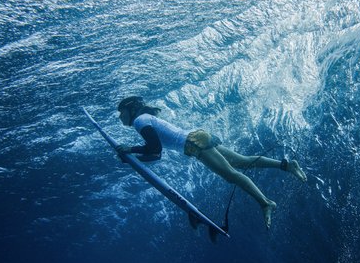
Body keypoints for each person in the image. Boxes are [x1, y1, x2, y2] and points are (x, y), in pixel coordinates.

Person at [114, 96, 307, 229]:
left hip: (193, 143)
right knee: (242, 162)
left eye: (121, 112)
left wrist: (129, 149)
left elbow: (155, 149)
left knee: (232, 175)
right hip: (197, 137)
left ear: (131, 109)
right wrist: (132, 158)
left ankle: (266, 203)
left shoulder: (140, 120)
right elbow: (156, 155)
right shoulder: (145, 118)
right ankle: (287, 165)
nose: (120, 116)